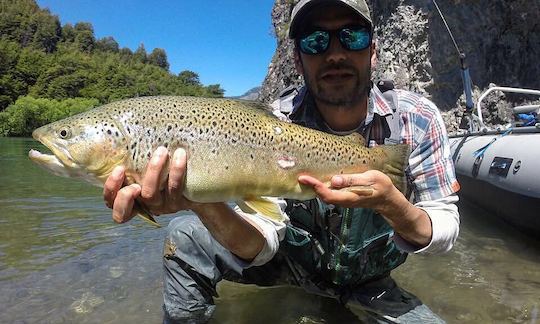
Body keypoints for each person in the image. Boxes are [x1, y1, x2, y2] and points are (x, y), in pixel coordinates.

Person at [103, 0, 461, 322]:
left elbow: (444, 228)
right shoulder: (272, 126)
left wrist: (393, 206)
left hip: (372, 283)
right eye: (315, 40)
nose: (334, 53)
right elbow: (260, 242)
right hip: (289, 265)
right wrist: (200, 204)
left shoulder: (418, 119)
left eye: (351, 37)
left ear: (373, 51)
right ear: (297, 58)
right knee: (185, 235)